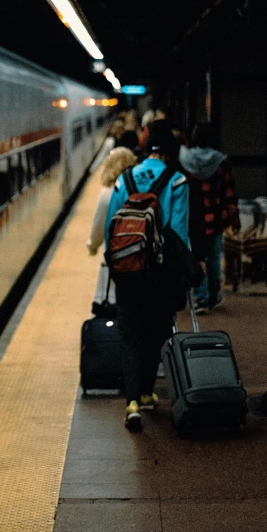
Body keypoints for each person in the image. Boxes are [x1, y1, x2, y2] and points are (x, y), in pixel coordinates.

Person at [105, 119, 189, 430]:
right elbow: (179, 231)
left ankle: (132, 402)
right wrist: (187, 270)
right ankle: (148, 390)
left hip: (126, 268)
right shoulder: (178, 182)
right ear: (169, 151)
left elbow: (109, 226)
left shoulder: (124, 179)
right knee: (156, 330)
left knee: (130, 333)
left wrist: (113, 262)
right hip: (160, 271)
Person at [179, 122, 240, 314]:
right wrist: (234, 217)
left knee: (196, 258)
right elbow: (229, 193)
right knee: (214, 259)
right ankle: (213, 296)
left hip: (192, 218)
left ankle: (200, 298)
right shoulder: (221, 163)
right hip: (215, 219)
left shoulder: (185, 160)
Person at [87, 148, 137, 305]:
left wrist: (92, 246)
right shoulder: (138, 189)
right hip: (138, 256)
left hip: (114, 259)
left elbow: (99, 226)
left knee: (113, 303)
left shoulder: (106, 193)